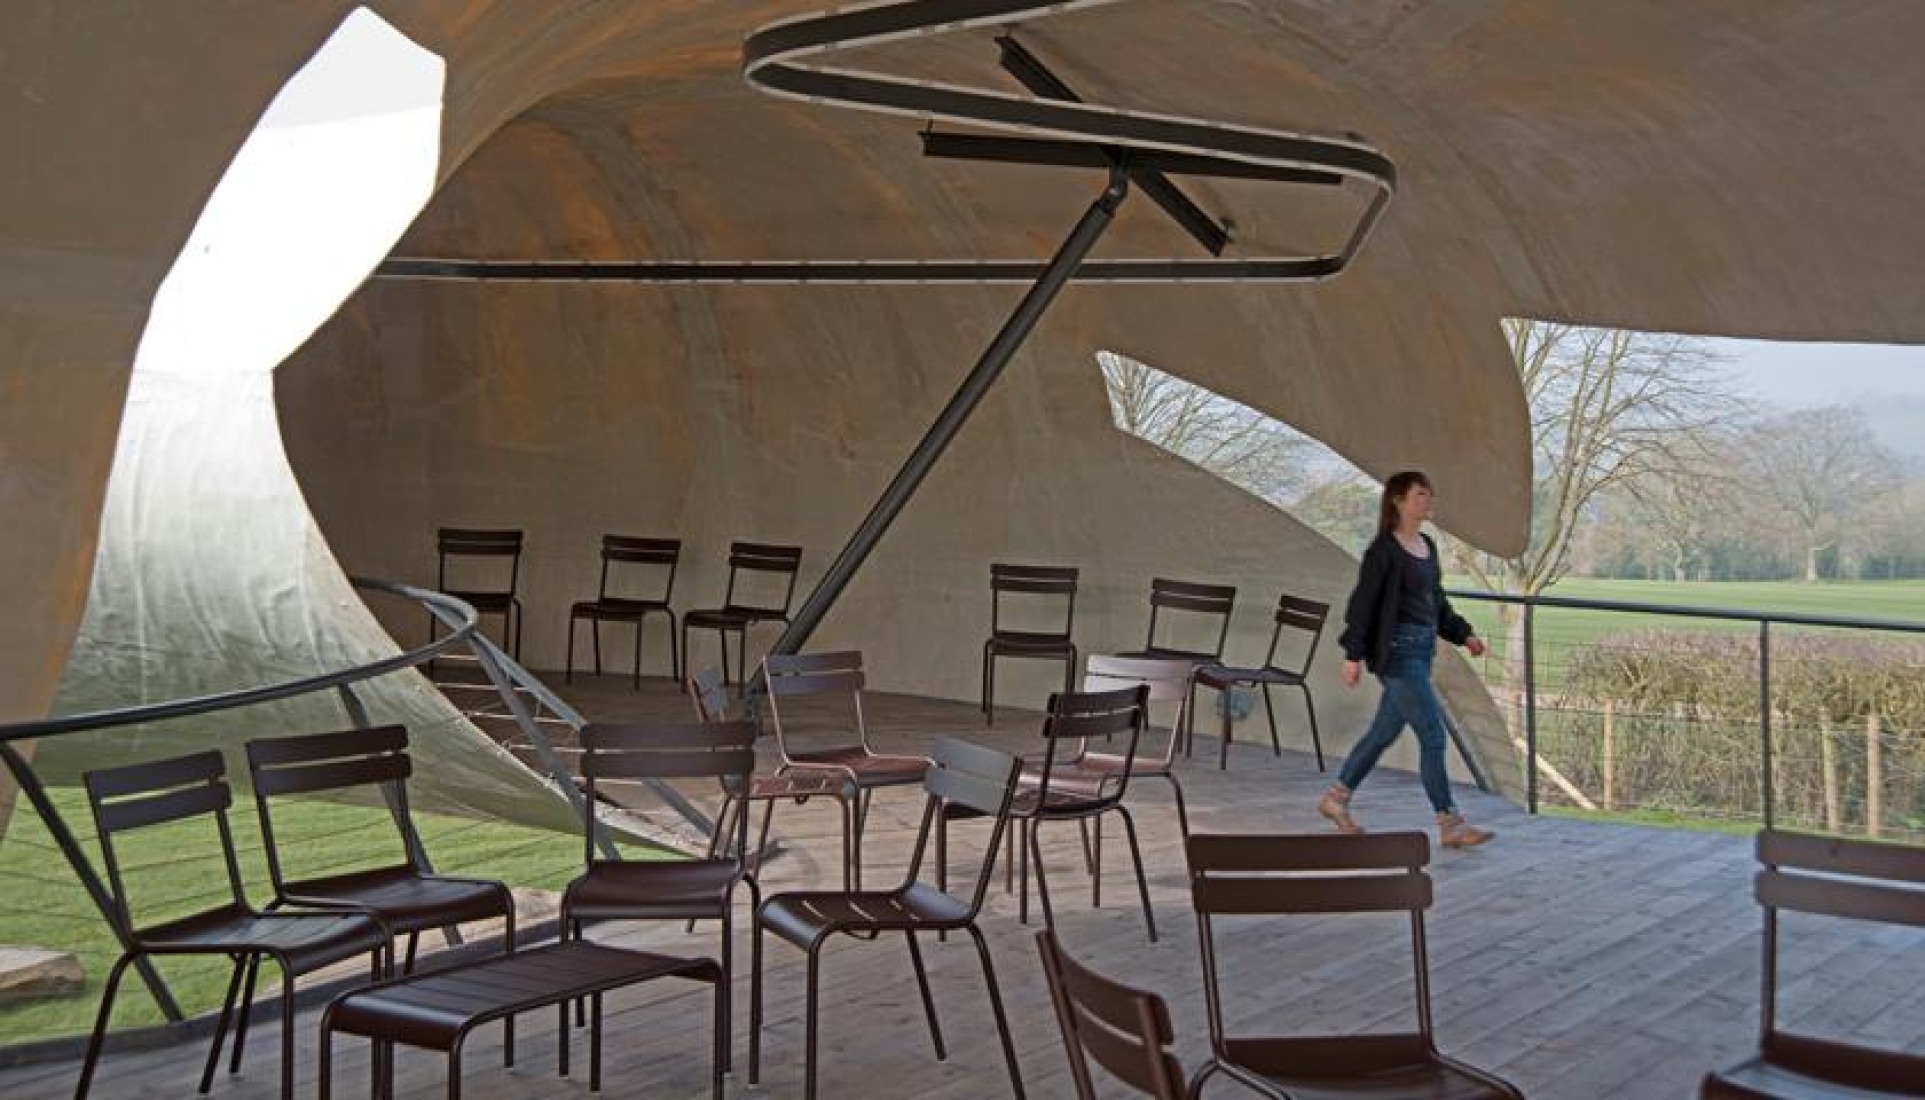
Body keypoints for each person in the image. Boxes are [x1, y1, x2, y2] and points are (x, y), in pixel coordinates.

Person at [1319, 470, 1494, 848]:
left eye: (1430, 495)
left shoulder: (1427, 547)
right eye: (1420, 495)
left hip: (1421, 650)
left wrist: (1464, 635)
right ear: (1398, 500)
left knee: (1383, 732)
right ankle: (1449, 821)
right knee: (1433, 734)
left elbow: (1436, 603)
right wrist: (1353, 654)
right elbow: (1362, 605)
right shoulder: (1383, 552)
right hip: (1397, 655)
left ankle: (1336, 798)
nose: (1428, 501)